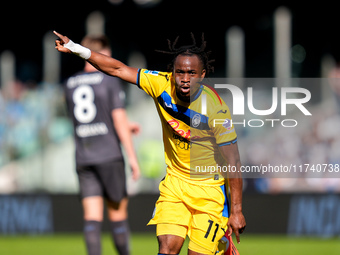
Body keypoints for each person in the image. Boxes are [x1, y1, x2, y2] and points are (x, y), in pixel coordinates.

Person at [54, 31, 246, 255]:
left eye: (192, 73)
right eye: (180, 72)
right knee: (167, 246)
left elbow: (233, 160)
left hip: (210, 191)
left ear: (202, 75)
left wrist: (237, 210)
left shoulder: (215, 108)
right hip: (175, 185)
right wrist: (78, 49)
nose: (185, 78)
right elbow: (118, 69)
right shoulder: (159, 83)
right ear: (172, 73)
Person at [62, 34, 141, 255]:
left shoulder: (69, 84)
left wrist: (127, 124)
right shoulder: (109, 80)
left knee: (92, 218)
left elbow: (84, 118)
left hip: (84, 157)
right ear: (101, 55)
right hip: (110, 156)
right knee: (117, 216)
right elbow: (116, 119)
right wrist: (133, 159)